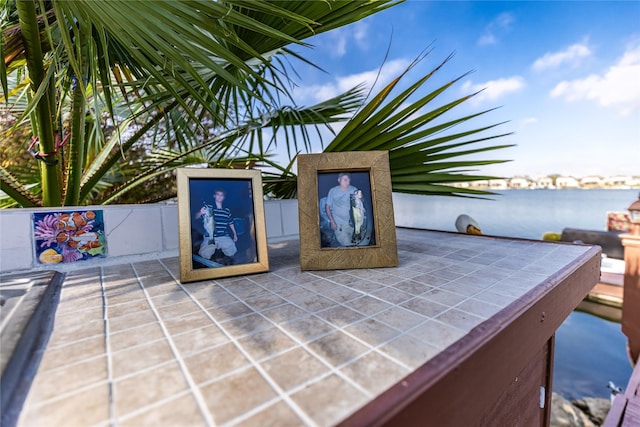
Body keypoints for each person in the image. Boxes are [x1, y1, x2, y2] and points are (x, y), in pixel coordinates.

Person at [195, 188, 238, 263]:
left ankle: (224, 262)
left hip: (224, 236)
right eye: (217, 194)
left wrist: (235, 234)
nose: (219, 196)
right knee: (204, 254)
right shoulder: (209, 208)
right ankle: (212, 260)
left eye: (222, 195)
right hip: (210, 236)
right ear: (214, 196)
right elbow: (196, 217)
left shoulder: (227, 210)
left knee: (232, 251)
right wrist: (200, 213)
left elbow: (231, 223)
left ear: (224, 197)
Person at [324, 172, 359, 247]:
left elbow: (360, 201)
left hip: (352, 224)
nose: (347, 182)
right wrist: (332, 221)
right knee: (346, 245)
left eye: (348, 179)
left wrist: (360, 196)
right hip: (339, 224)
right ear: (339, 180)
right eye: (345, 179)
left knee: (354, 244)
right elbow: (327, 207)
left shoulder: (353, 189)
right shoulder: (333, 191)